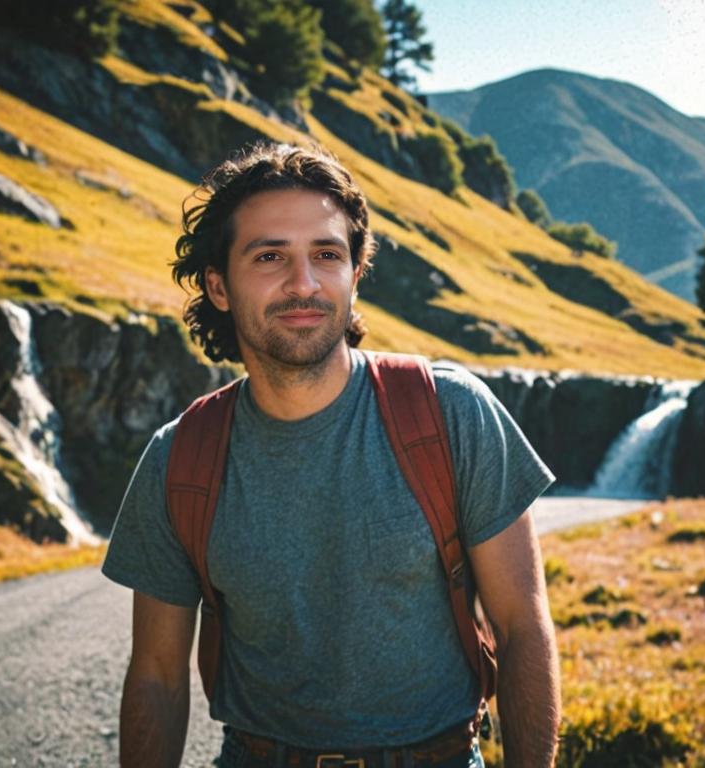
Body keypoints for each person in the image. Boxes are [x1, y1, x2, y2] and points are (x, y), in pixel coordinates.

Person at [102, 142, 561, 768]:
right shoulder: (178, 459)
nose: (304, 283)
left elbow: (522, 628)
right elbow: (156, 676)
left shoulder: (451, 413)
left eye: (327, 254)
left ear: (353, 274)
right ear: (218, 285)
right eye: (270, 256)